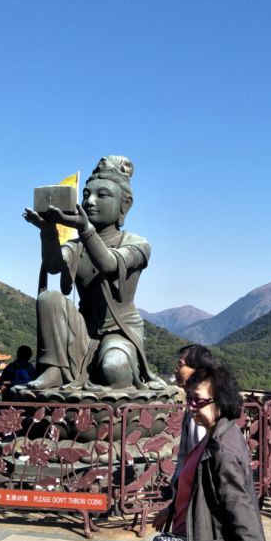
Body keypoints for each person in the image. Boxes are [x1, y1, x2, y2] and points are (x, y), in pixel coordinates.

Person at [24, 155, 164, 391]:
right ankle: (54, 369)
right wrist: (48, 232)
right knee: (49, 298)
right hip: (83, 329)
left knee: (114, 369)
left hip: (119, 331)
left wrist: (84, 228)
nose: (90, 202)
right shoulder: (77, 246)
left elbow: (109, 264)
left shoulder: (137, 244)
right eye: (86, 195)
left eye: (102, 195)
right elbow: (53, 265)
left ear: (125, 204)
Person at [155, 364, 271, 541]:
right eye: (189, 399)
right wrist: (170, 510)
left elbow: (239, 509)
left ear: (220, 400)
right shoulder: (211, 437)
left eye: (198, 401)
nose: (191, 407)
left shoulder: (222, 449)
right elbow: (196, 488)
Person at [152, 344, 215, 529]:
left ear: (198, 370)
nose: (176, 370)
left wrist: (176, 507)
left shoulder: (200, 414)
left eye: (180, 365)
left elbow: (198, 464)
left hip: (193, 506)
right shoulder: (194, 405)